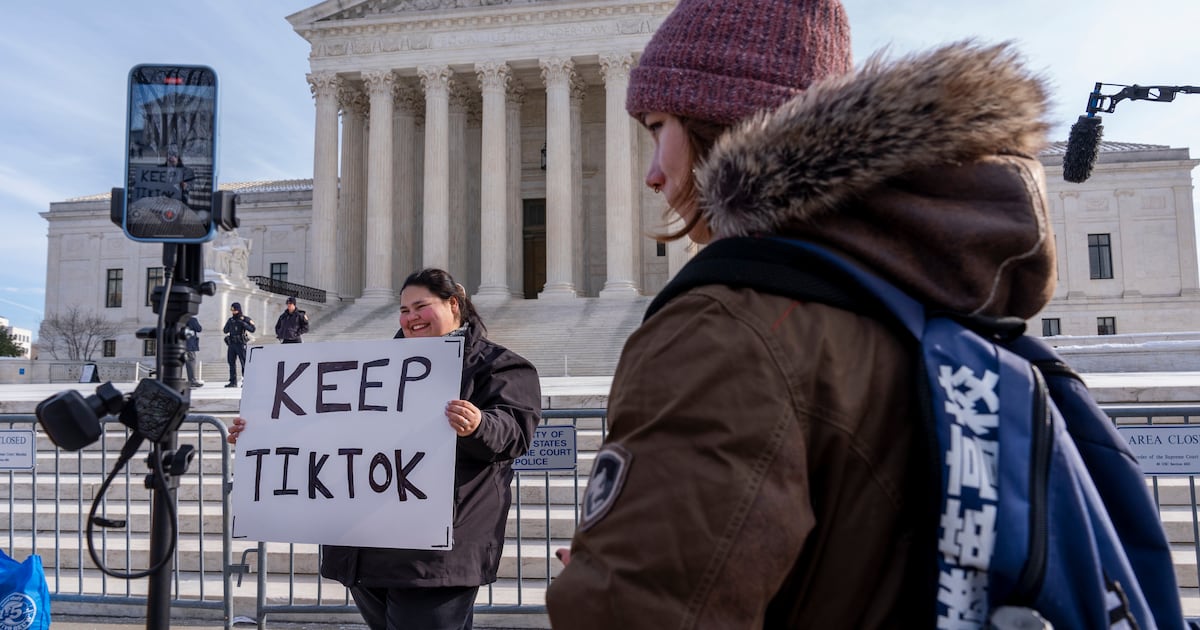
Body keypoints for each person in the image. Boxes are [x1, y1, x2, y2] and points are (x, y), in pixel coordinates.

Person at [545, 0, 1056, 627]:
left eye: (657, 127)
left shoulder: (729, 330)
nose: (652, 175)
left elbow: (642, 611)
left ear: (719, 121)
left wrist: (608, 582)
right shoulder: (919, 295)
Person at [228, 268, 541, 630]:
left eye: (421, 306)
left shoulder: (499, 366)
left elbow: (515, 432)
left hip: (437, 553)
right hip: (366, 548)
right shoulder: (371, 368)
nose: (410, 318)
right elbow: (326, 430)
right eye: (404, 310)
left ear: (454, 304)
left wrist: (478, 425)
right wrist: (263, 432)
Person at [222, 302, 256, 388]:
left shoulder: (245, 319)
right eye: (232, 310)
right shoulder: (231, 320)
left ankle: (246, 381)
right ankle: (233, 382)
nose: (233, 312)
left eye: (235, 310)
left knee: (244, 362)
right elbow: (225, 330)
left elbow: (252, 329)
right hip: (232, 344)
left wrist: (243, 324)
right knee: (231, 362)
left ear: (239, 310)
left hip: (241, 344)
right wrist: (230, 325)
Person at [183, 315, 203, 388]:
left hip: (179, 345)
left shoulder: (178, 319)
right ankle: (192, 380)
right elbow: (199, 329)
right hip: (189, 345)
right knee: (191, 362)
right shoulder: (192, 319)